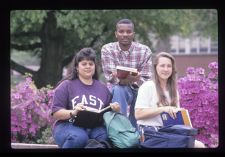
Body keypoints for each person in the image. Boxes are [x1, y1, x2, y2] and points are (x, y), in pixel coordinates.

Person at [51, 48, 120, 148]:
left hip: (94, 128)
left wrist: (115, 110)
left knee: (106, 137)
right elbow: (56, 114)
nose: (88, 66)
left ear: (95, 67)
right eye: (84, 64)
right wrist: (73, 112)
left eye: (91, 64)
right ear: (77, 67)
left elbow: (107, 114)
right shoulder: (66, 85)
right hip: (68, 126)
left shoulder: (103, 89)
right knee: (79, 137)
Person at [134, 52, 205, 148]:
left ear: (172, 69)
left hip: (169, 132)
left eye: (169, 66)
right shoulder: (148, 86)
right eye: (162, 66)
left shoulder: (173, 90)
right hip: (150, 134)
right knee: (197, 146)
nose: (166, 69)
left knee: (198, 144)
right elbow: (138, 114)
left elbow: (175, 117)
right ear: (155, 68)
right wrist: (163, 109)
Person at [101, 18, 153, 128]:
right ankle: (121, 130)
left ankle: (135, 133)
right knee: (119, 89)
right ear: (116, 34)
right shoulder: (107, 49)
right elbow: (111, 78)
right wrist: (133, 78)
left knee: (143, 92)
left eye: (128, 32)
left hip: (138, 89)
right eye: (121, 31)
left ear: (133, 34)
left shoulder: (145, 50)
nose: (125, 34)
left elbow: (146, 79)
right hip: (117, 92)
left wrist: (124, 78)